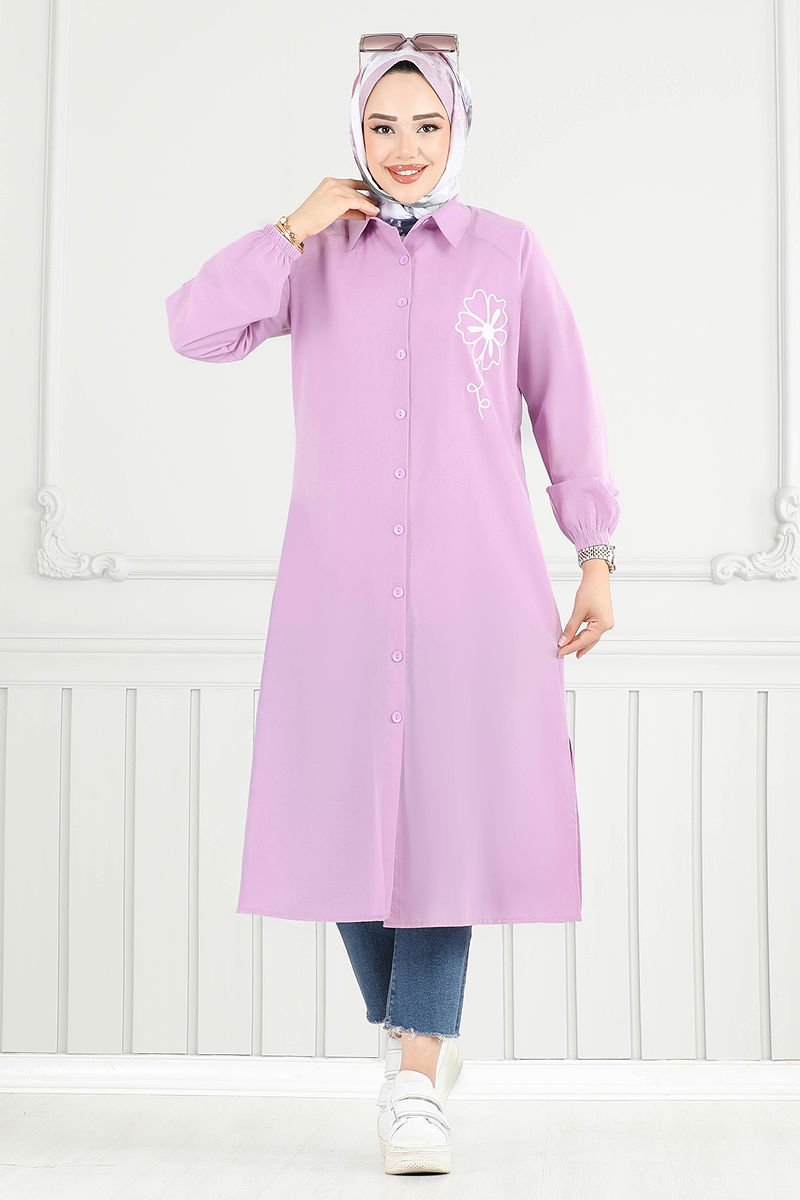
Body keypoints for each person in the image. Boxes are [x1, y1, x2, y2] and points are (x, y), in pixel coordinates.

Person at [165, 35, 619, 1177]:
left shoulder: (508, 253)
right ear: (355, 133)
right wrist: (290, 227)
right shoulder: (314, 255)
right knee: (341, 817)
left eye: (425, 125)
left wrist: (596, 553)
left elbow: (564, 402)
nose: (404, 148)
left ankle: (415, 1080)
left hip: (477, 591)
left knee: (446, 825)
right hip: (338, 592)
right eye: (382, 126)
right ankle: (415, 1033)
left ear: (457, 129)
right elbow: (193, 329)